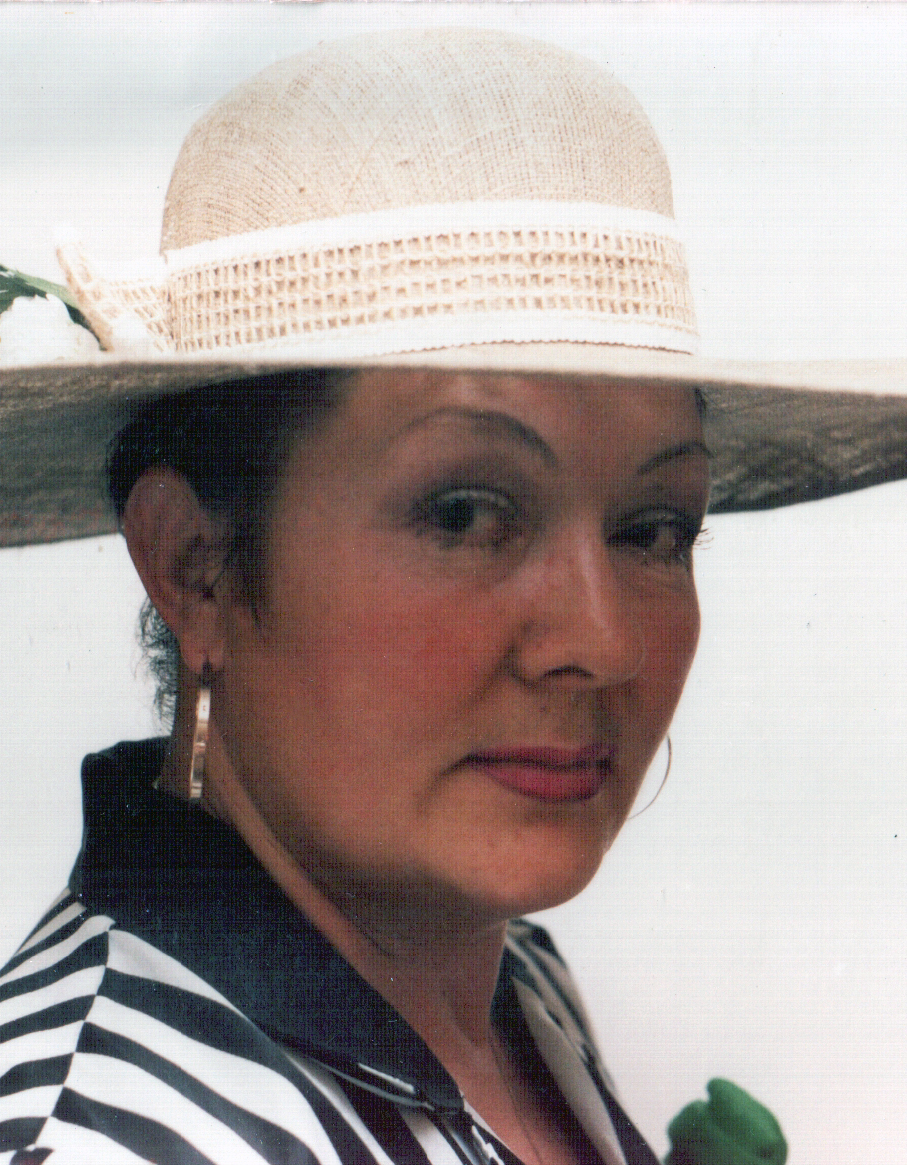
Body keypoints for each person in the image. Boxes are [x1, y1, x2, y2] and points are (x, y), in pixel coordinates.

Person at [0, 26, 905, 1165]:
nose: (602, 640)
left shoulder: (511, 980)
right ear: (195, 564)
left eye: (654, 528)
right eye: (466, 513)